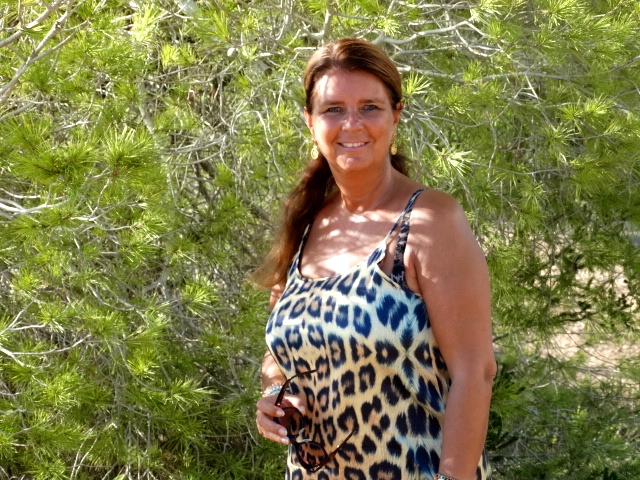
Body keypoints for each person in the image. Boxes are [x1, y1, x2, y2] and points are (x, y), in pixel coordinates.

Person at [254, 37, 496, 480]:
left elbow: (475, 373)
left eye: (369, 107)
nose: (352, 124)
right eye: (333, 109)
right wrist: (274, 394)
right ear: (310, 121)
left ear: (395, 116)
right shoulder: (307, 222)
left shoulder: (430, 221)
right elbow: (279, 348)